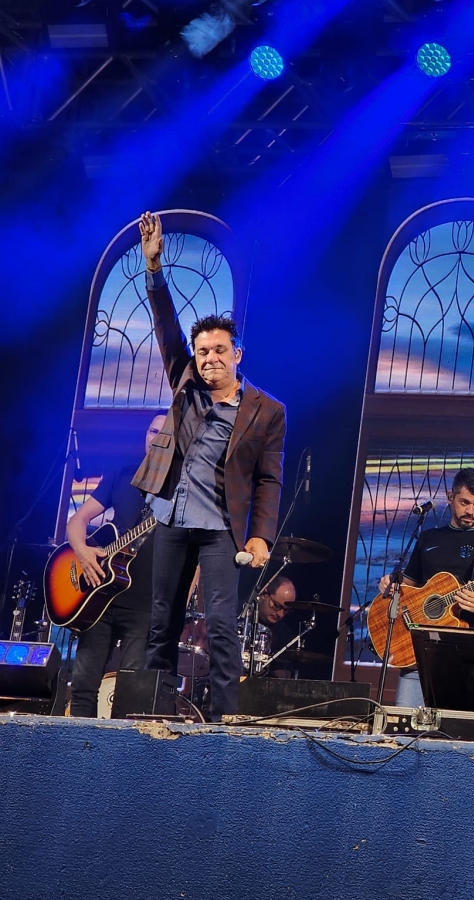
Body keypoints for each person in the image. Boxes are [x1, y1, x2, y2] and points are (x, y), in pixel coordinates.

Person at [133, 211, 286, 721]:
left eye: (219, 350)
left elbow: (269, 478)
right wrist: (154, 268)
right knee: (162, 621)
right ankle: (154, 713)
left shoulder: (267, 410)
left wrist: (260, 536)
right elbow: (164, 325)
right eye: (202, 351)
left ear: (237, 354)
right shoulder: (185, 381)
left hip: (221, 526)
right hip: (173, 518)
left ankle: (224, 722)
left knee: (221, 624)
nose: (209, 358)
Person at [377, 467, 474, 705]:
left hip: (467, 653)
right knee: (404, 722)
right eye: (465, 503)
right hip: (419, 651)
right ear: (450, 497)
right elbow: (408, 588)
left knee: (456, 725)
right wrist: (391, 586)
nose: (471, 511)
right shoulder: (428, 538)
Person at [65, 413, 167, 717]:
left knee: (131, 695)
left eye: (163, 434)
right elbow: (77, 520)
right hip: (98, 597)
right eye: (152, 431)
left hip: (144, 604)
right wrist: (83, 551)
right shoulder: (122, 474)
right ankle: (79, 745)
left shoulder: (180, 491)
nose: (155, 438)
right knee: (83, 686)